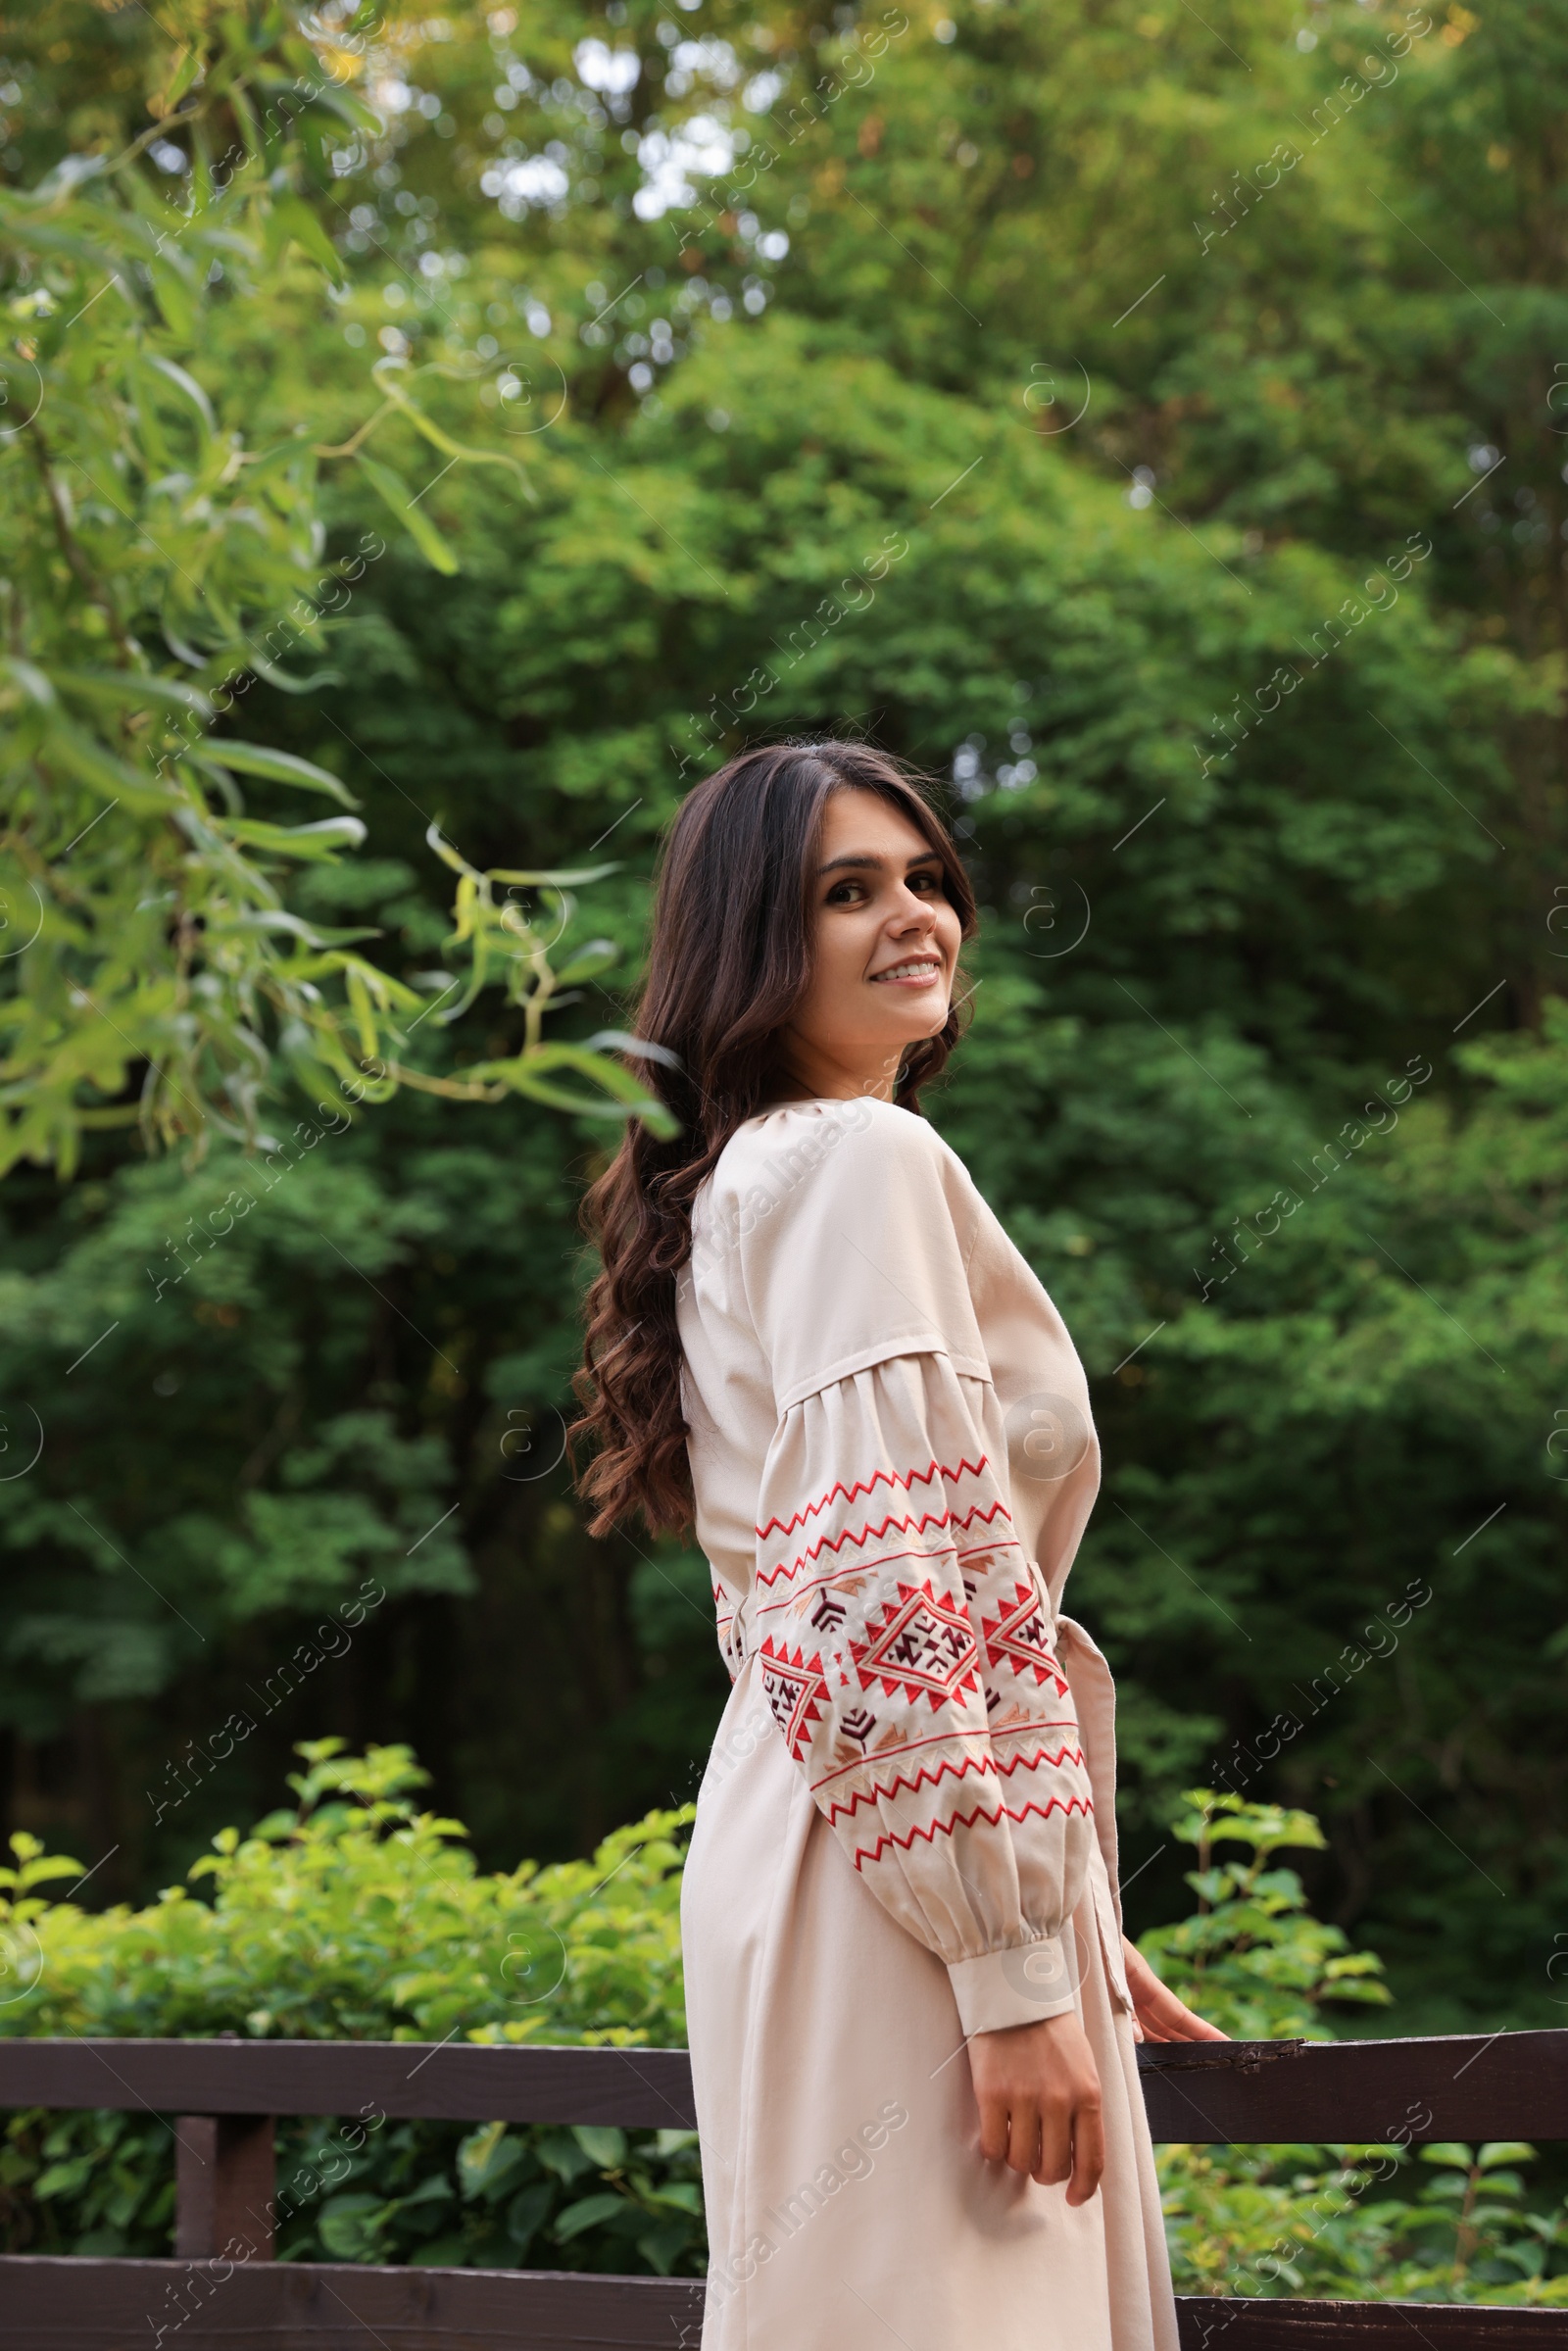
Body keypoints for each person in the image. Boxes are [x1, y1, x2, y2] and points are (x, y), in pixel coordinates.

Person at [573, 741, 1224, 2351]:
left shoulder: (742, 1180)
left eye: (928, 879)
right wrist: (1005, 1960)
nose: (915, 917)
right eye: (846, 894)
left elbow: (805, 1609)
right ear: (748, 945)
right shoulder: (858, 1161)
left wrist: (1050, 1887)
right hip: (901, 1895)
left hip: (834, 1836)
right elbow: (886, 1583)